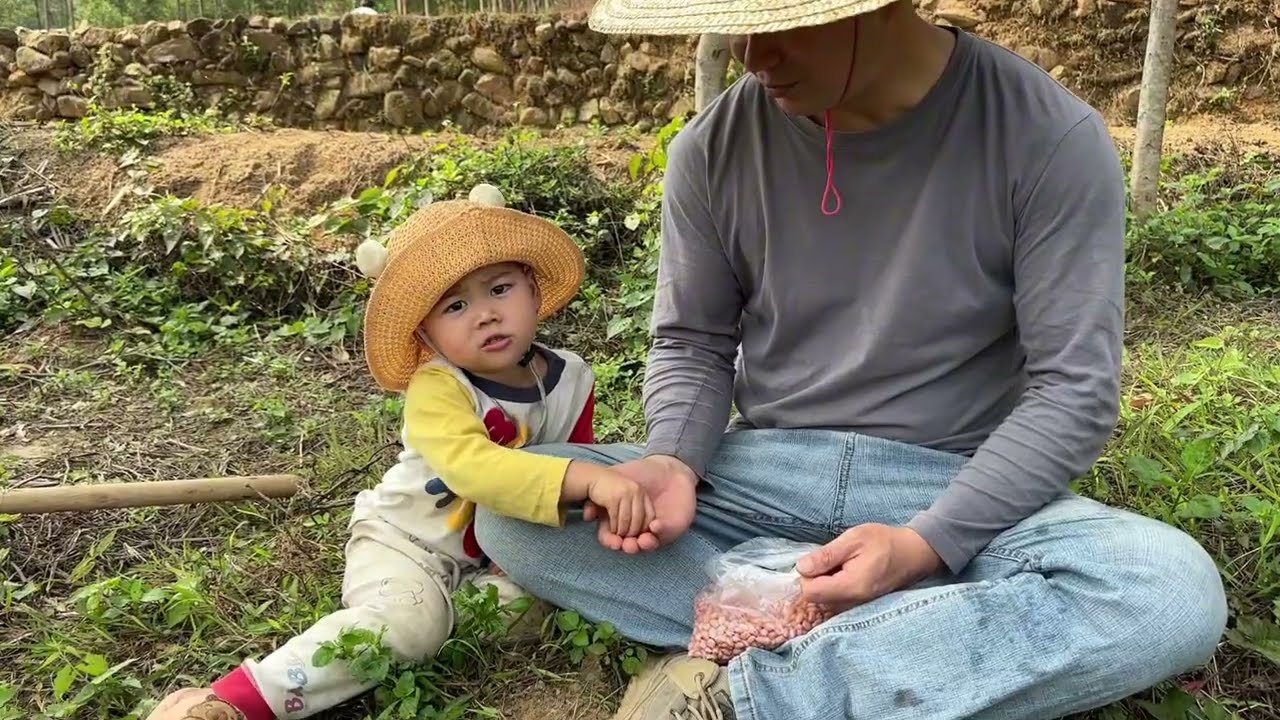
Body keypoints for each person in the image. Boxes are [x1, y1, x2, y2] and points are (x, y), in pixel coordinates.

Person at [473, 0, 1230, 718]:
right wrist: (672, 461)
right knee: (516, 510)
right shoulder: (713, 149)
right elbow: (694, 341)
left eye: (789, 23)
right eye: (742, 23)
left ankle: (754, 690)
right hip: (766, 474)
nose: (754, 54)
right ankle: (908, 634)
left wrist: (928, 544)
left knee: (1168, 592)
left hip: (953, 485)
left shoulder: (1045, 138)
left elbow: (1073, 392)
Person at [144, 183, 656, 720]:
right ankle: (237, 701)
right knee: (407, 626)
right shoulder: (439, 387)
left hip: (495, 557)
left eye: (499, 289)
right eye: (455, 306)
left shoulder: (572, 376)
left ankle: (458, 613)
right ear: (427, 335)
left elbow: (578, 459)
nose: (484, 314)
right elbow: (475, 468)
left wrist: (592, 503)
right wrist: (592, 480)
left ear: (532, 288)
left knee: (517, 615)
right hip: (408, 543)